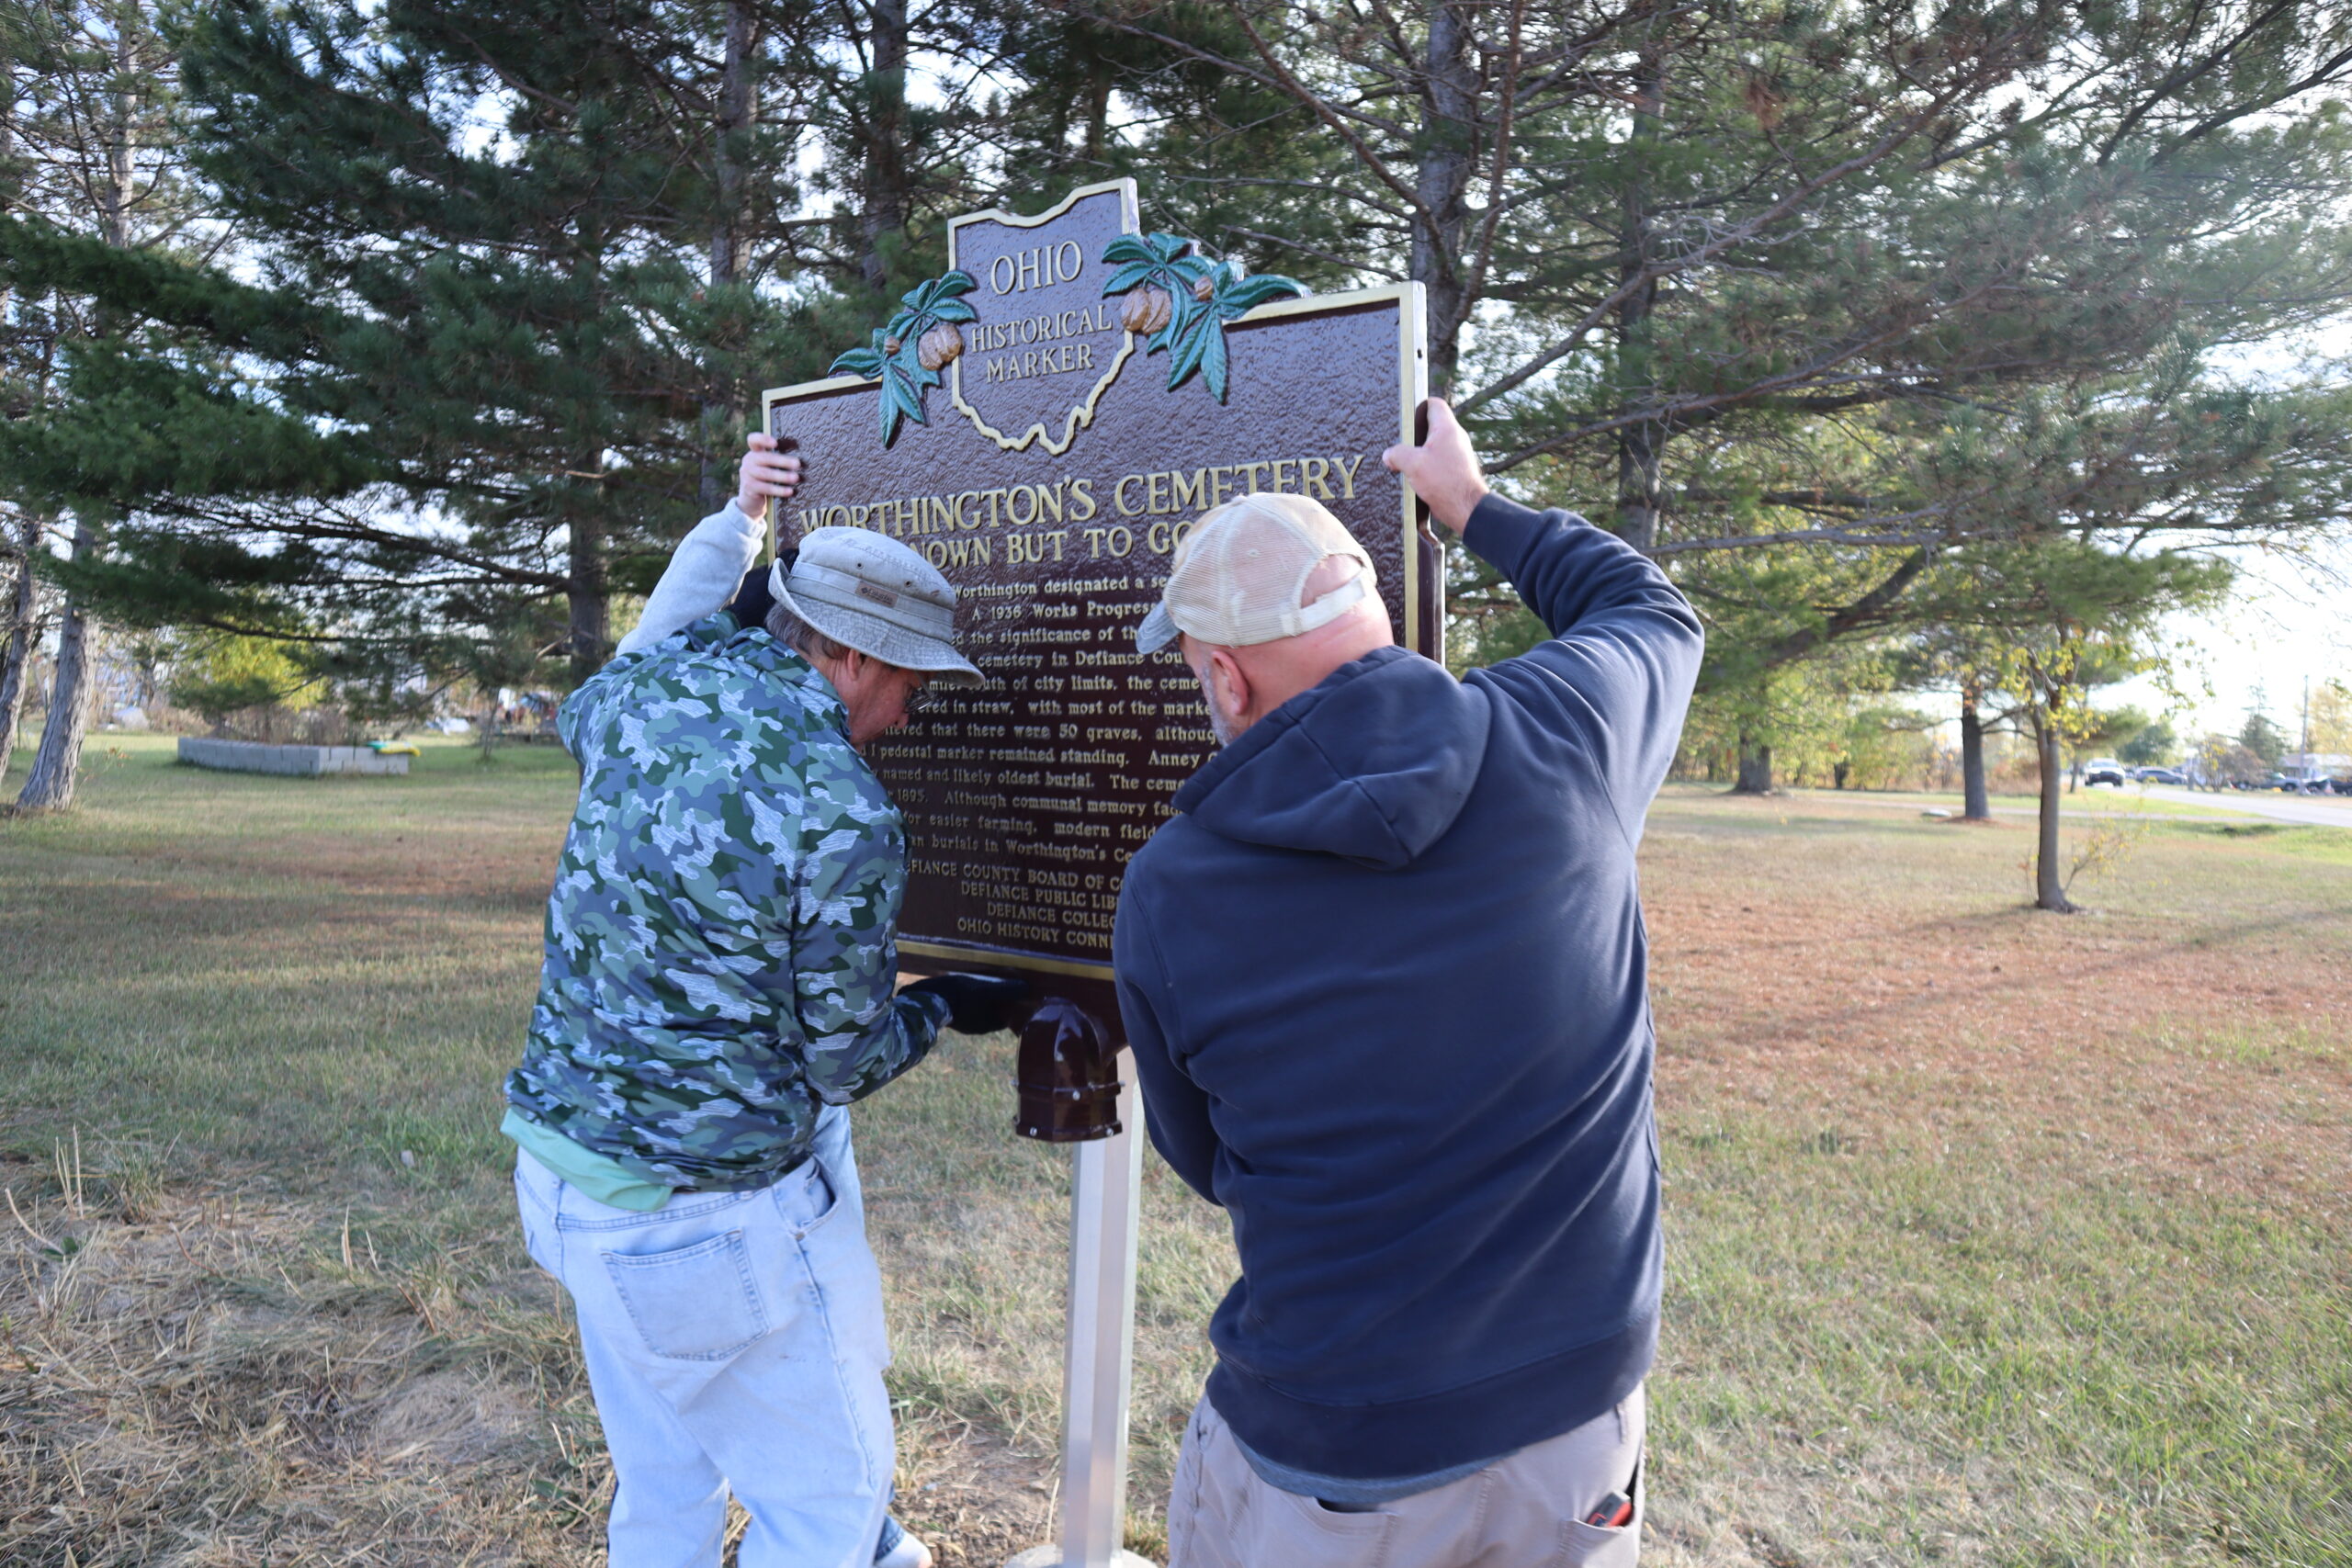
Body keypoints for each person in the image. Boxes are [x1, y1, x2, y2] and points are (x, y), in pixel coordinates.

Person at [1113, 400, 1703, 1567]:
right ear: (1376, 622)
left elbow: (1203, 1157)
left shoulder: (1173, 889)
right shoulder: (1565, 734)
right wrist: (1472, 507)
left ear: (1226, 680)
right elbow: (1650, 609)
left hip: (1340, 1447)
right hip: (1576, 1423)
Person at [503, 433, 1026, 1568]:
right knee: (831, 1524)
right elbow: (843, 1060)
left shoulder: (630, 700)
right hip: (711, 1233)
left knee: (661, 1492)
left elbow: (651, 638)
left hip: (564, 1183)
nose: (911, 709)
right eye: (905, 676)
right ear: (842, 654)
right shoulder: (841, 811)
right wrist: (942, 1006)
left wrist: (737, 526)